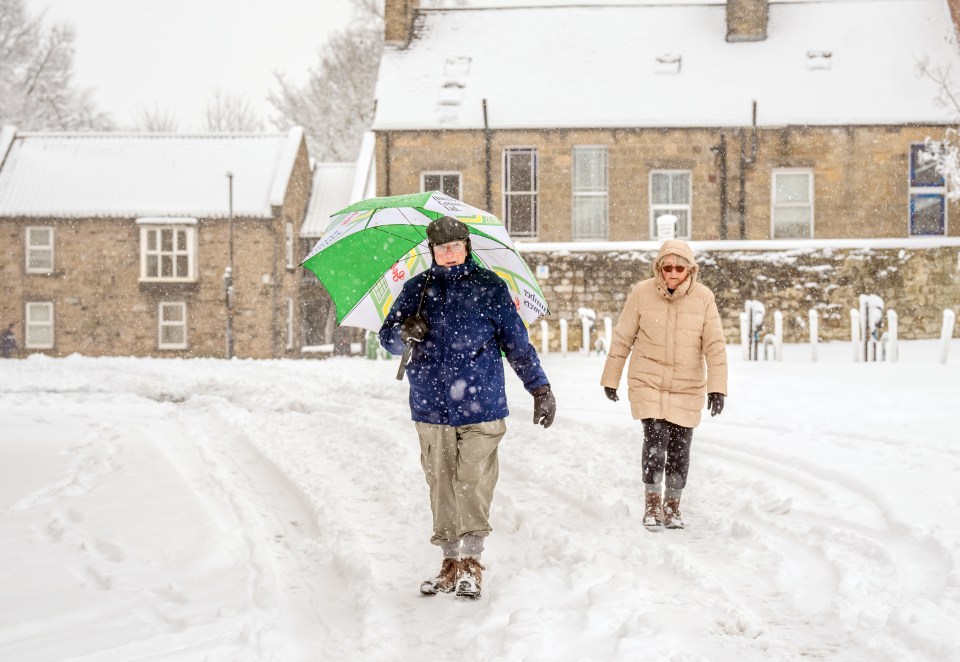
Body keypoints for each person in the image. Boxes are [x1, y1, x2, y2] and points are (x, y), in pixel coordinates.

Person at [379, 216, 556, 599]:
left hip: (482, 404)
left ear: (467, 247)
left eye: (455, 246)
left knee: (472, 482)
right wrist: (403, 332)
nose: (449, 253)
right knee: (441, 483)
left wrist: (540, 388)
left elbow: (517, 344)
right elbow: (388, 338)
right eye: (441, 248)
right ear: (432, 251)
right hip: (431, 405)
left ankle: (471, 562)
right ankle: (448, 561)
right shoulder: (416, 290)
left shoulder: (490, 287)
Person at [600, 239, 727, 530]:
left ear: (690, 270)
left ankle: (673, 507)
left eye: (679, 268)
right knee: (656, 441)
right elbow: (623, 337)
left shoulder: (704, 298)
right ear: (659, 268)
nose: (673, 273)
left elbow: (715, 345)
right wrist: (611, 377)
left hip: (687, 383)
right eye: (667, 267)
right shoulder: (641, 293)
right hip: (648, 380)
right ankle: (652, 504)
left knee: (681, 447)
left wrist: (717, 387)